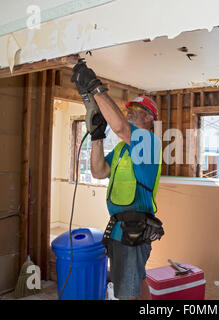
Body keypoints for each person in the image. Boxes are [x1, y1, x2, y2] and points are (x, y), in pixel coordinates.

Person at [71, 60, 163, 300]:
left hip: (133, 229)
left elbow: (121, 127)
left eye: (136, 109)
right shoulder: (123, 149)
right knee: (137, 281)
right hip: (121, 229)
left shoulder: (149, 143)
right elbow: (99, 171)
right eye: (129, 107)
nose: (129, 110)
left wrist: (94, 87)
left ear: (149, 118)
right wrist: (97, 137)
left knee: (126, 292)